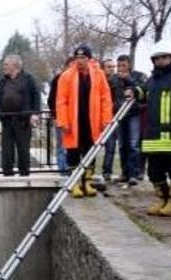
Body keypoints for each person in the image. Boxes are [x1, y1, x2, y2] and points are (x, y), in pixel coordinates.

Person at [127, 43, 171, 216]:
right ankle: (162, 199)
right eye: (157, 58)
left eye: (164, 57)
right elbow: (145, 92)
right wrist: (134, 91)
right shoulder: (154, 79)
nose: (161, 61)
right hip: (154, 136)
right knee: (155, 171)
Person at [56, 44, 113, 198]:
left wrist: (106, 119)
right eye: (77, 57)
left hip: (92, 121)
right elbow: (61, 101)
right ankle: (74, 183)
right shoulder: (67, 76)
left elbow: (105, 99)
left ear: (89, 59)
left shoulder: (99, 74)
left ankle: (87, 182)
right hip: (73, 122)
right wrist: (63, 121)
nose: (79, 60)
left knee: (90, 151)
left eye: (82, 57)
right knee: (73, 152)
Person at [0, 54, 41, 176]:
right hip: (7, 119)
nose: (3, 66)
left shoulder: (28, 79)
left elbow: (36, 96)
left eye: (6, 64)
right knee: (7, 148)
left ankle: (24, 172)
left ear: (14, 65)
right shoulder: (3, 81)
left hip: (23, 119)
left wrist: (35, 113)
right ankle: (7, 172)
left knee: (23, 148)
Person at [113, 54, 147, 184]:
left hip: (134, 113)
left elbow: (144, 90)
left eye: (123, 65)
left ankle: (134, 173)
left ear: (129, 65)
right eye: (119, 66)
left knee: (133, 144)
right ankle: (124, 173)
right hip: (119, 114)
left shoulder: (138, 76)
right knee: (122, 145)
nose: (121, 68)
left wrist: (128, 79)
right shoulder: (114, 79)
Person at [48, 58, 74, 175]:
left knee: (72, 145)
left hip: (73, 118)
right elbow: (51, 100)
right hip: (61, 117)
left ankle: (71, 168)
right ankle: (62, 169)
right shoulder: (58, 79)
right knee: (61, 145)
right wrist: (55, 116)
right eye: (71, 65)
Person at [102, 58, 120, 182]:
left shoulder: (117, 81)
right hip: (99, 116)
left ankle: (107, 171)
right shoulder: (98, 80)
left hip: (113, 116)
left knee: (111, 146)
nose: (112, 69)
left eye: (113, 67)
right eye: (109, 67)